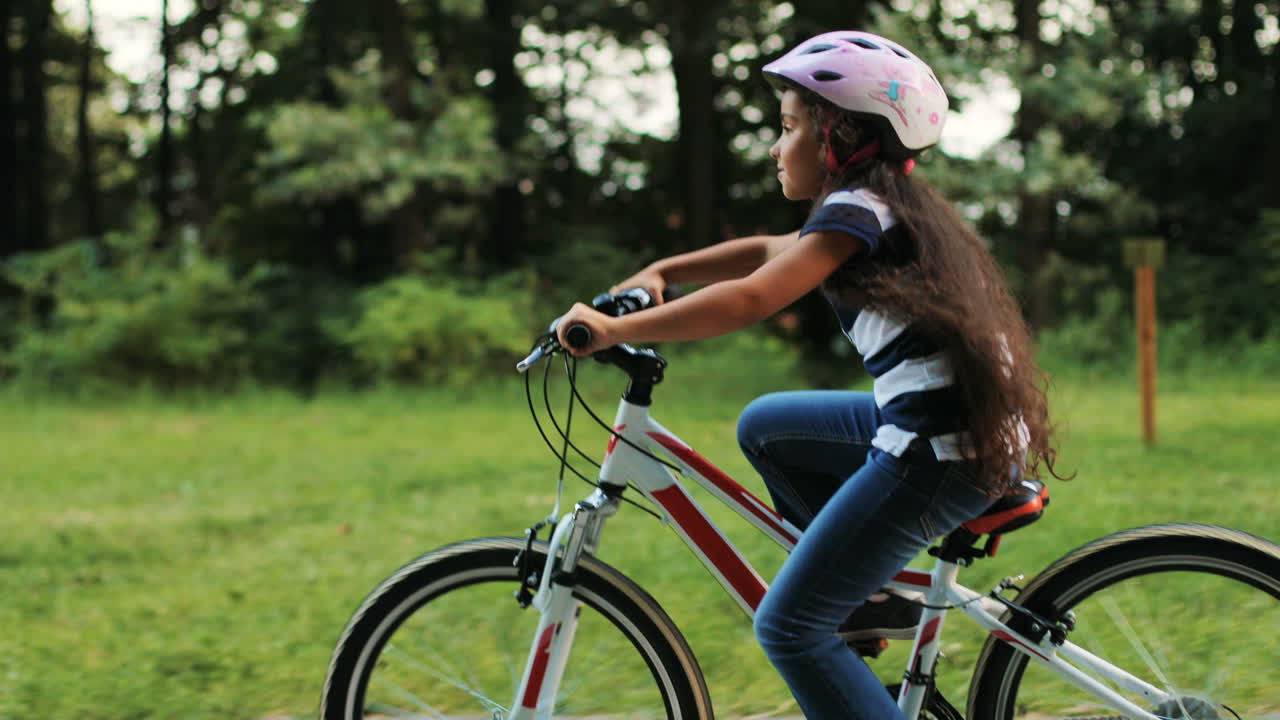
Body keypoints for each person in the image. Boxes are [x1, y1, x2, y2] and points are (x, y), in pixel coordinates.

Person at [556, 30, 1062, 718]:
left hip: (939, 451)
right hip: (948, 423)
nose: (775, 145)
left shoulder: (860, 211)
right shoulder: (870, 209)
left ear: (841, 138)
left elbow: (753, 296)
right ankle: (867, 597)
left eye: (789, 126)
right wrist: (665, 273)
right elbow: (767, 252)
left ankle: (845, 603)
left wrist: (615, 330)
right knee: (768, 427)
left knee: (789, 628)